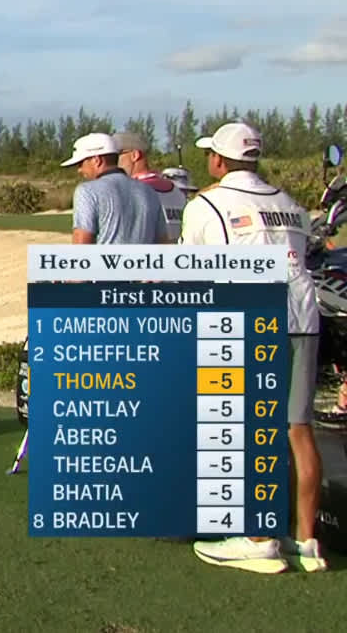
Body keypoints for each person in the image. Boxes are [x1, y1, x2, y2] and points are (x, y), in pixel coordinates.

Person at [179, 122, 328, 573]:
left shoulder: (207, 204)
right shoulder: (290, 204)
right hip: (302, 314)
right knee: (298, 428)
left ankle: (259, 539)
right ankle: (306, 542)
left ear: (218, 160)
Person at [61, 132, 169, 245]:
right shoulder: (148, 191)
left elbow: (81, 246)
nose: (79, 170)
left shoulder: (87, 191)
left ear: (97, 160)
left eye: (81, 164)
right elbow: (163, 243)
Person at [114, 131, 189, 242]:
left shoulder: (131, 193)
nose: (111, 163)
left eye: (115, 156)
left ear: (135, 155)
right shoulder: (177, 192)